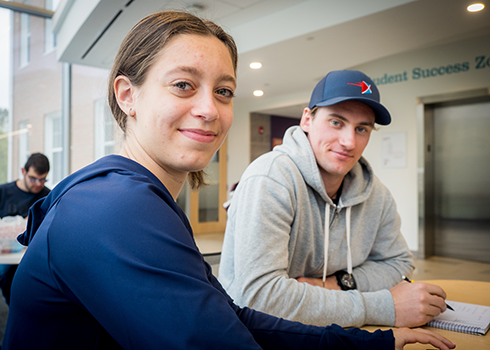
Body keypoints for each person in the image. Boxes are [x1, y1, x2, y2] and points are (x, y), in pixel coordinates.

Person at [3, 12, 455, 350]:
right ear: (128, 96)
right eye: (183, 85)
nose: (209, 109)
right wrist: (377, 307)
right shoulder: (113, 208)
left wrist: (374, 343)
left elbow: (234, 320)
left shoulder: (138, 197)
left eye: (223, 91)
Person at [219, 70, 450, 329]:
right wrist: (384, 307)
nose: (349, 141)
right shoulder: (271, 178)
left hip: (336, 335)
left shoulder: (377, 194)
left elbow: (400, 263)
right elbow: (260, 297)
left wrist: (336, 284)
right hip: (258, 336)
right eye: (336, 122)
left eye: (361, 128)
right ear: (307, 120)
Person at [0, 152, 50, 304]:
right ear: (23, 172)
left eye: (42, 179)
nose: (38, 184)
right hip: (5, 252)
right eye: (33, 178)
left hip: (32, 253)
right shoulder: (4, 192)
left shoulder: (47, 196)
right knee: (5, 274)